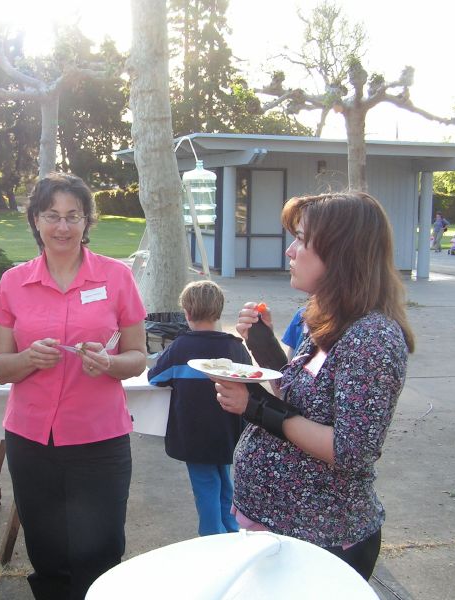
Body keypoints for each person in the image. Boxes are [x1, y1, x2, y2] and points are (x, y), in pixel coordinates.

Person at [219, 191, 414, 581]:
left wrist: (255, 408)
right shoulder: (327, 318)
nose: (291, 251)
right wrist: (264, 345)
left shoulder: (372, 337)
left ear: (342, 252)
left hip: (321, 541)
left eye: (302, 239)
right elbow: (302, 393)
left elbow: (351, 449)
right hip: (284, 529)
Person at [0, 172, 147, 600]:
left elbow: (138, 356)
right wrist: (27, 359)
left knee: (101, 551)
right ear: (35, 221)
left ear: (87, 221)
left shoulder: (116, 278)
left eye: (73, 216)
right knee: (47, 551)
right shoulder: (13, 282)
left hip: (99, 439)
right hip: (31, 439)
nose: (62, 227)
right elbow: (0, 368)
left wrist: (109, 363)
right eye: (51, 216)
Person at [147, 280, 248, 536]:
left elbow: (155, 377)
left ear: (187, 314)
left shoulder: (181, 347)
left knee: (205, 484)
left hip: (195, 434)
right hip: (228, 430)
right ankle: (231, 529)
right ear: (219, 311)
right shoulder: (235, 346)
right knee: (224, 480)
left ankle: (212, 536)